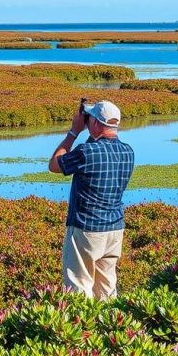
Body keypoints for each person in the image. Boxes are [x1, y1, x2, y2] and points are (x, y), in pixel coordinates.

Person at [48, 99, 134, 299]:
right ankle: (109, 327)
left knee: (79, 287)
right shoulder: (128, 151)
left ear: (95, 124)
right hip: (115, 229)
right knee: (107, 289)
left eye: (89, 119)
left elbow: (54, 164)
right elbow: (99, 149)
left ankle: (85, 329)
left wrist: (73, 132)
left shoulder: (86, 152)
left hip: (86, 229)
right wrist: (88, 130)